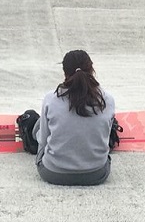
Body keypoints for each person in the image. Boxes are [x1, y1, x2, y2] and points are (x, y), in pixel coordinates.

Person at [19, 50, 116, 187]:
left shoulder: (51, 99)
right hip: (96, 174)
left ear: (65, 72)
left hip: (53, 173)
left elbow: (43, 139)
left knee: (35, 120)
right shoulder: (107, 100)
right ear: (92, 69)